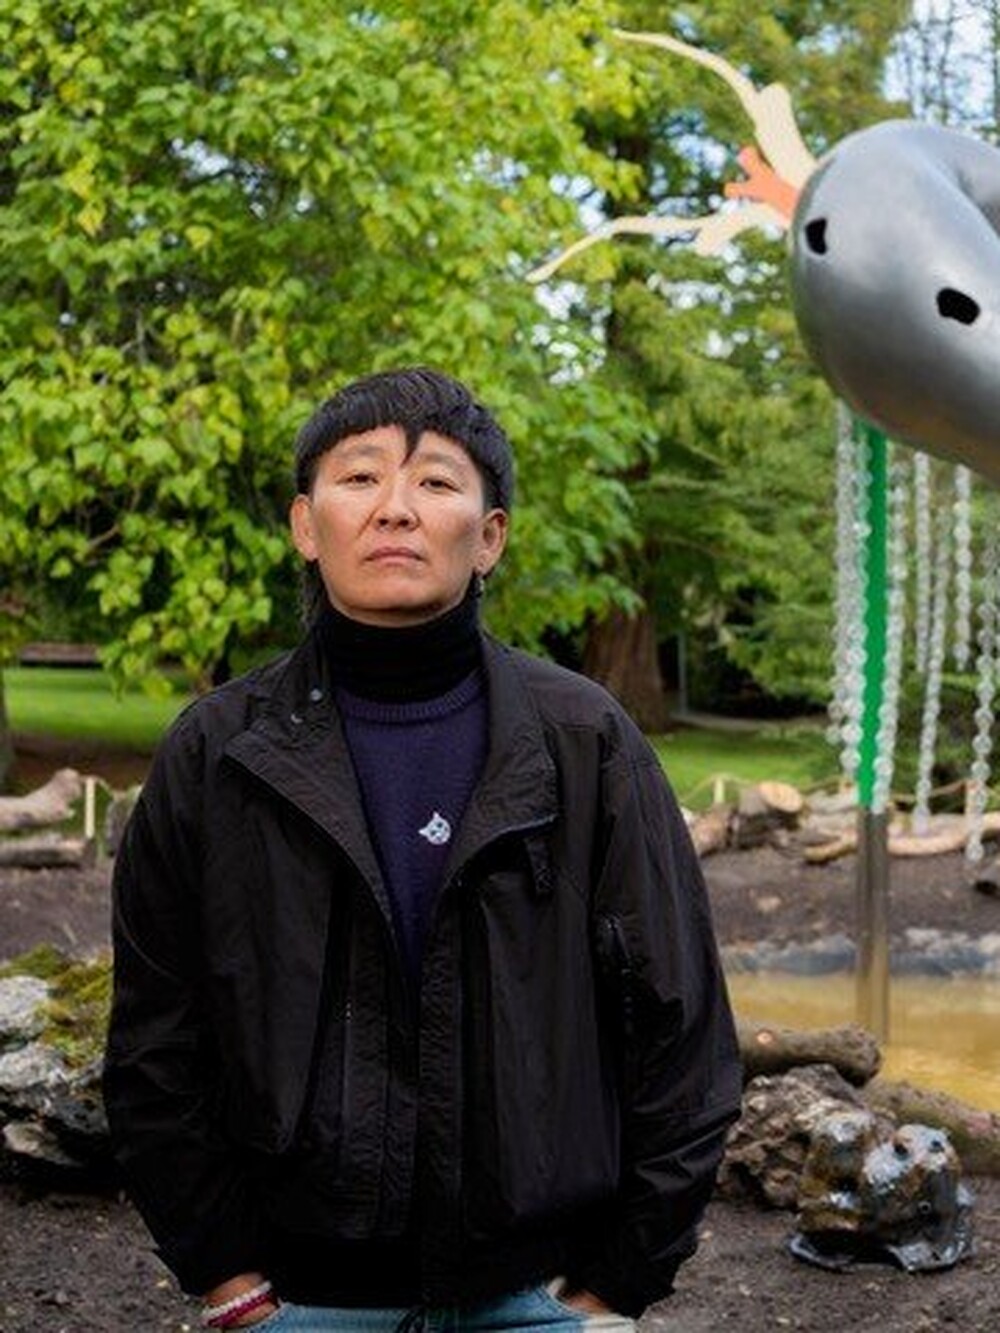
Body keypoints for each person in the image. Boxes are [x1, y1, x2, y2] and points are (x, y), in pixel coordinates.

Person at [104, 367, 742, 1332]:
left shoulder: (584, 743)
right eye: (360, 477)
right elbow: (155, 1043)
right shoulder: (217, 755)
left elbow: (682, 1031)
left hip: (539, 1300)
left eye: (437, 481)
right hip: (299, 1302)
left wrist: (613, 1291)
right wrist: (233, 1287)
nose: (395, 508)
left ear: (490, 537)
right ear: (305, 525)